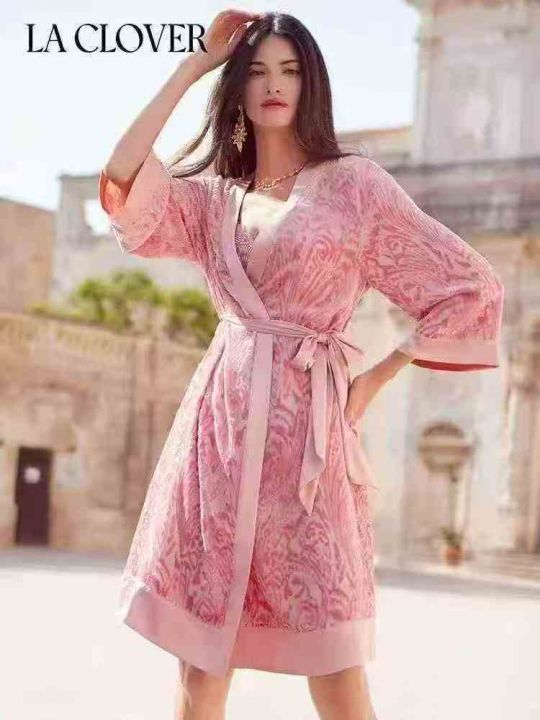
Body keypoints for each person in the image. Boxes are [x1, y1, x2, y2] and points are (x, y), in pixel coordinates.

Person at [99, 10, 505, 720]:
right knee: (200, 665)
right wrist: (193, 66)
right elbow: (124, 178)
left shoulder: (355, 186)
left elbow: (469, 285)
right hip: (219, 437)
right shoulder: (213, 199)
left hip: (308, 443)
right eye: (256, 71)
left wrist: (376, 377)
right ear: (237, 88)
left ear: (310, 83)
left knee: (336, 664)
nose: (273, 85)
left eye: (289, 70)